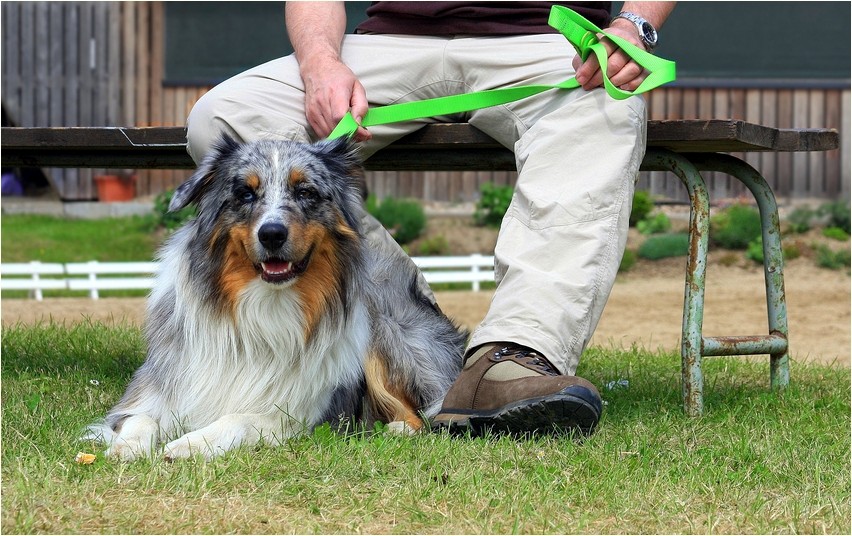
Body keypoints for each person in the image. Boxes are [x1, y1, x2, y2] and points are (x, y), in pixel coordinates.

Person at [185, 1, 676, 437]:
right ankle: (403, 319)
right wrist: (320, 64)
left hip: (544, 42)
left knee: (608, 111)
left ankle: (511, 357)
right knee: (224, 118)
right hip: (388, 44)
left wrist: (633, 26)